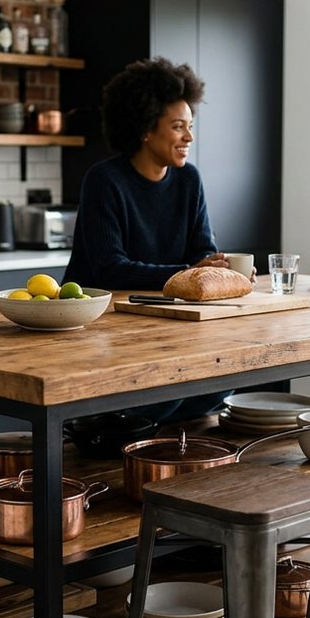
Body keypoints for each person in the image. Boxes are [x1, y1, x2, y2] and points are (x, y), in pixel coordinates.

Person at [65, 56, 231, 424]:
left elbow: (202, 251)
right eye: (177, 127)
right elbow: (111, 268)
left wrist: (218, 271)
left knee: (220, 384)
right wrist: (189, 273)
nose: (189, 137)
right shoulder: (105, 181)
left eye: (190, 126)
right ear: (144, 128)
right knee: (161, 399)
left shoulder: (189, 181)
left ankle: (148, 448)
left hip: (163, 323)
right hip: (100, 329)